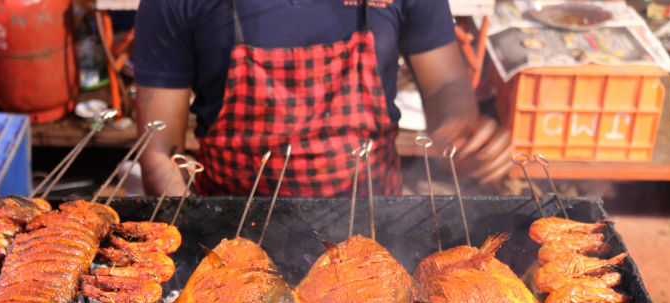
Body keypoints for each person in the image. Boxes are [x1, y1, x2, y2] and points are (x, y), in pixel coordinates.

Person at [132, 0, 512, 197]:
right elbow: (160, 150)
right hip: (231, 233)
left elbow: (446, 85)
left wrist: (458, 129)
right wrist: (185, 244)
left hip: (374, 231)